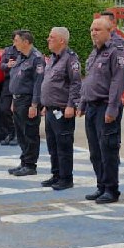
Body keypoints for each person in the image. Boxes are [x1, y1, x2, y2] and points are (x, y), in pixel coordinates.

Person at [80, 16, 124, 203]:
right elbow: (89, 80)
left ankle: (111, 189)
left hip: (105, 107)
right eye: (92, 30)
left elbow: (118, 81)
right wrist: (83, 103)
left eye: (98, 30)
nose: (93, 33)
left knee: (108, 150)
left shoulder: (116, 51)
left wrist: (112, 108)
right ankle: (101, 185)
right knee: (95, 151)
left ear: (110, 31)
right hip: (92, 107)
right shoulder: (95, 52)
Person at [39, 27, 82, 191]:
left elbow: (75, 83)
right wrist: (46, 105)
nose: (48, 39)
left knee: (64, 146)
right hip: (51, 109)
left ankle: (66, 178)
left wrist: (71, 105)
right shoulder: (53, 58)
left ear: (61, 40)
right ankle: (56, 174)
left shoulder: (70, 59)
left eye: (51, 37)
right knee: (52, 145)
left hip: (63, 110)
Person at [6, 30, 44, 177]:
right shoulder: (21, 57)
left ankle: (30, 165)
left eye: (16, 40)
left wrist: (34, 105)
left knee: (30, 133)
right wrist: (13, 100)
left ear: (26, 42)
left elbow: (38, 83)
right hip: (17, 100)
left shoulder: (36, 58)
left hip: (28, 101)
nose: (14, 43)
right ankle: (24, 162)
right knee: (21, 133)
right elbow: (16, 79)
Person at [0, 37, 22, 146]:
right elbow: (1, 65)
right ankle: (10, 132)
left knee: (17, 110)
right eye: (15, 39)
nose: (16, 41)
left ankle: (18, 134)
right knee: (3, 109)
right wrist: (8, 65)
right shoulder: (8, 50)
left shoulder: (25, 51)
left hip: (20, 82)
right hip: (9, 81)